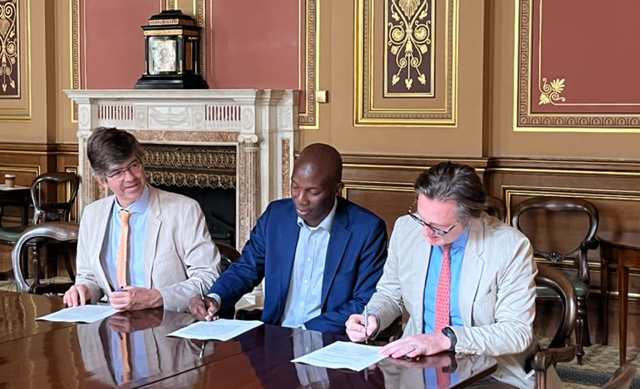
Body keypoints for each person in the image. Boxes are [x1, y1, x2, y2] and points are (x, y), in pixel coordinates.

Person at [345, 161, 562, 389]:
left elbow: (515, 331)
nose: (425, 232)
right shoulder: (405, 229)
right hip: (417, 364)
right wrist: (373, 317)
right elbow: (390, 294)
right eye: (421, 217)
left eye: (438, 227)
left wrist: (446, 338)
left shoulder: (509, 247)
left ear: (470, 216)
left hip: (491, 370)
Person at [189, 143, 388, 334]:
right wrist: (215, 298)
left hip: (328, 340)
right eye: (295, 187)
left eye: (313, 191)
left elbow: (364, 300)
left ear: (337, 189)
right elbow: (245, 269)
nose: (300, 199)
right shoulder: (276, 216)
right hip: (273, 336)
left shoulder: (367, 230)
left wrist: (304, 332)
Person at [63, 127, 219, 312]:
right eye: (118, 173)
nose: (130, 178)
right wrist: (84, 290)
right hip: (112, 324)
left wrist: (157, 297)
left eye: (133, 166)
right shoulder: (92, 215)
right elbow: (88, 276)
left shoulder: (183, 210)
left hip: (167, 324)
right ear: (101, 181)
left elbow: (208, 276)